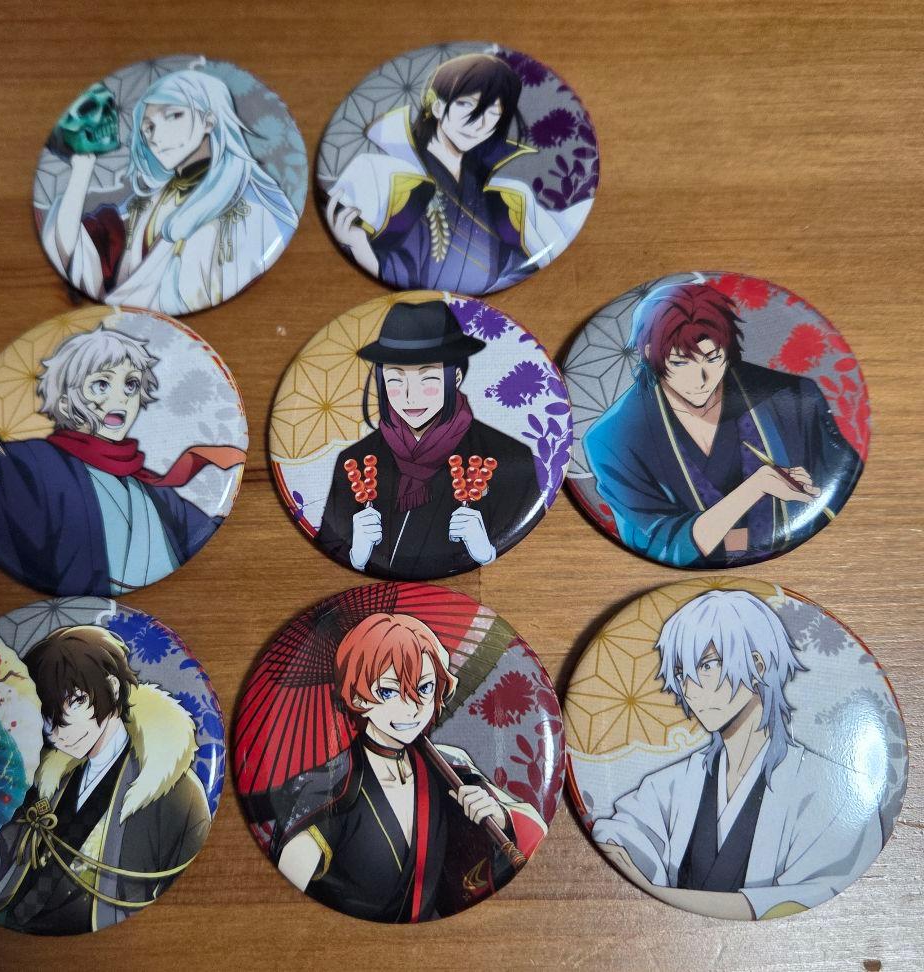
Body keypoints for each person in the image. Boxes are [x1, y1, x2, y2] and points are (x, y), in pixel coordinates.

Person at [591, 590, 884, 920]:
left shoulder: (832, 793)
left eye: (707, 665)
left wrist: (657, 895)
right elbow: (619, 837)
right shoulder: (673, 785)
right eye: (681, 672)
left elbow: (805, 899)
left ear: (758, 666)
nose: (690, 688)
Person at [0, 625, 211, 934]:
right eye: (46, 718)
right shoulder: (47, 779)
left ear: (111, 687)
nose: (57, 732)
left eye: (75, 702)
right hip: (9, 927)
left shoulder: (178, 796)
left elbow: (185, 896)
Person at [270, 613, 546, 922]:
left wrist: (498, 816)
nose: (412, 708)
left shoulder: (449, 767)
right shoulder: (326, 786)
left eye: (425, 688)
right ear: (358, 697)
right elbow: (285, 895)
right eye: (388, 692)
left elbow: (534, 831)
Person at [0, 317, 246, 596]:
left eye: (131, 385)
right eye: (101, 384)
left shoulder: (147, 486)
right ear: (65, 401)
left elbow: (201, 528)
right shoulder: (36, 461)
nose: (120, 399)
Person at [583, 282, 862, 567]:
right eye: (680, 362)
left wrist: (812, 491)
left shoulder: (791, 398)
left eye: (712, 358)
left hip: (806, 562)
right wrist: (754, 489)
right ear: (649, 353)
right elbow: (659, 543)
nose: (701, 379)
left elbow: (843, 481)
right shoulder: (613, 439)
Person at [325, 52, 592, 294]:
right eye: (466, 104)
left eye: (493, 112)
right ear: (437, 106)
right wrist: (359, 246)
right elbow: (385, 260)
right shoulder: (381, 174)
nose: (479, 123)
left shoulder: (507, 197)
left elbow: (520, 262)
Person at [41, 67, 299, 314]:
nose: (156, 136)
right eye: (148, 127)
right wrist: (82, 169)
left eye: (173, 115)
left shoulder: (252, 210)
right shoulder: (146, 203)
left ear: (209, 121)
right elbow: (72, 256)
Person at [315, 300, 542, 578]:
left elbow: (534, 560)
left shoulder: (509, 457)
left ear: (455, 377)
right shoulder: (356, 461)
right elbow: (326, 550)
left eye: (427, 379)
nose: (411, 396)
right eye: (396, 379)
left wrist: (486, 551)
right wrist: (356, 555)